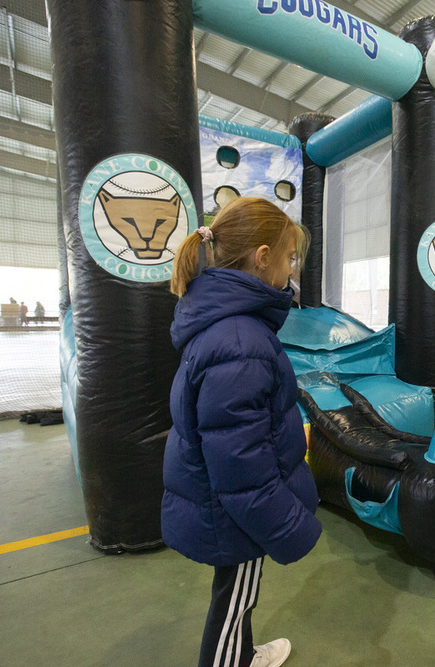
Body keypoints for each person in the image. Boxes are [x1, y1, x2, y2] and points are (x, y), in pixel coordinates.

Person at [162, 197, 322, 667]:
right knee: (233, 603)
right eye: (289, 258)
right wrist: (286, 525)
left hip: (224, 504)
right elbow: (241, 466)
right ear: (262, 257)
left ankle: (244, 654)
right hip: (234, 510)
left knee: (236, 595)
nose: (291, 270)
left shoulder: (230, 326)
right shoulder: (239, 341)